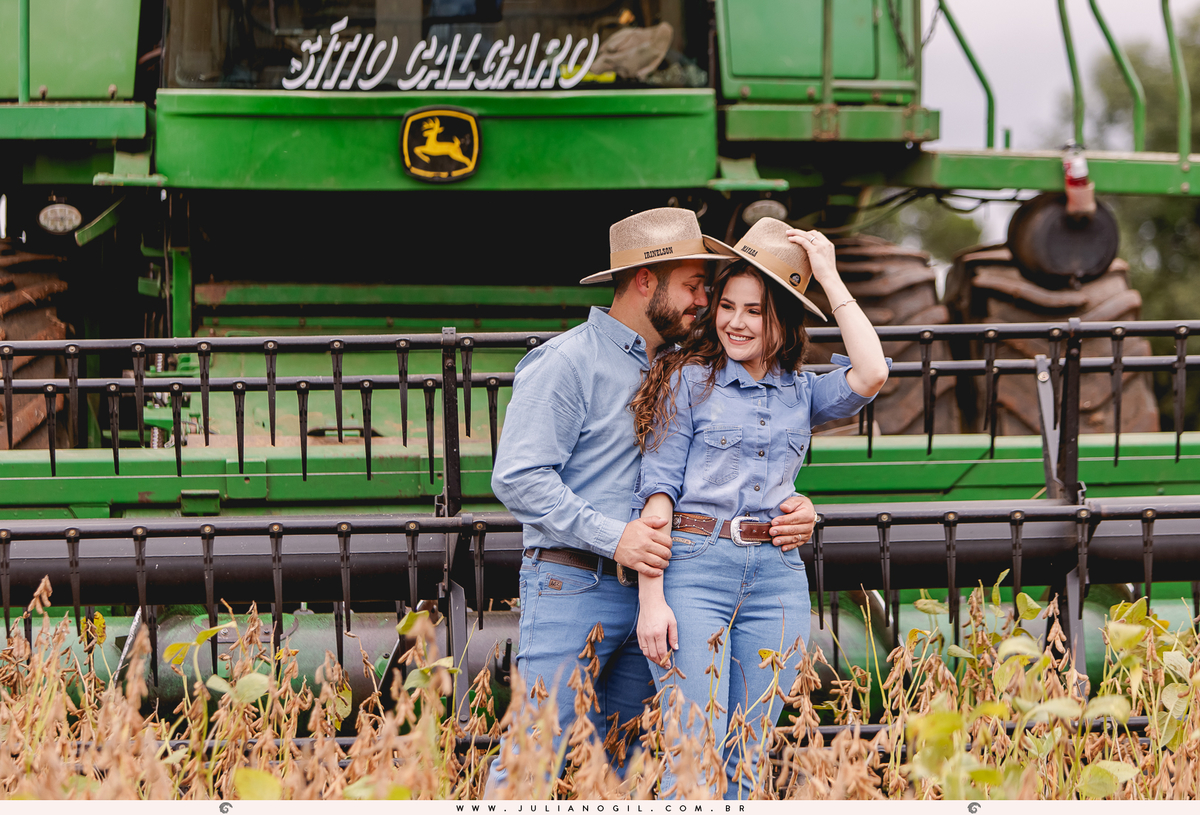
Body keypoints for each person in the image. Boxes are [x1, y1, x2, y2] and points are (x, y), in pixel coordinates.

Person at [486, 208, 820, 794]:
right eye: (693, 286)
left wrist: (796, 506)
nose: (703, 301)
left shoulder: (688, 366)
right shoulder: (568, 362)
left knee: (629, 764)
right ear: (646, 280)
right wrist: (615, 537)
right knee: (533, 754)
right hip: (577, 585)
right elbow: (518, 477)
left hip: (662, 596)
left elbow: (737, 460)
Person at [630, 217, 889, 799]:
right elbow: (657, 495)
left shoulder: (801, 391)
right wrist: (651, 601)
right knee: (693, 755)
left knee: (747, 757)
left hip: (777, 578)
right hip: (694, 571)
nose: (735, 322)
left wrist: (828, 276)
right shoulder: (688, 381)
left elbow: (873, 372)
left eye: (755, 310)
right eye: (727, 306)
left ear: (784, 319)